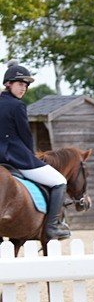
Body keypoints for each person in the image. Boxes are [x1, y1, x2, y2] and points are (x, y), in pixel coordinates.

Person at [0, 61, 71, 239]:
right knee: (59, 181)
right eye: (20, 84)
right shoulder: (17, 106)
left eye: (25, 85)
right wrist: (32, 156)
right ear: (8, 84)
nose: (23, 88)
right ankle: (52, 227)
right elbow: (25, 136)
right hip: (16, 158)